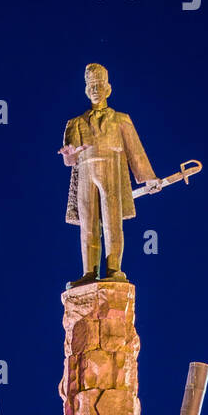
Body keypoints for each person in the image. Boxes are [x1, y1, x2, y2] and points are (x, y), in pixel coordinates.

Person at [61, 63, 162, 286]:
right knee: (88, 224)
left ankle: (114, 268)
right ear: (87, 91)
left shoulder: (121, 120)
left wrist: (149, 177)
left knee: (112, 222)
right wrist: (70, 153)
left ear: (108, 89)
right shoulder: (75, 123)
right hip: (86, 172)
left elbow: (135, 151)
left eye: (99, 85)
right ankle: (89, 272)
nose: (95, 89)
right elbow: (69, 159)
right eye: (91, 86)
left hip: (112, 170)